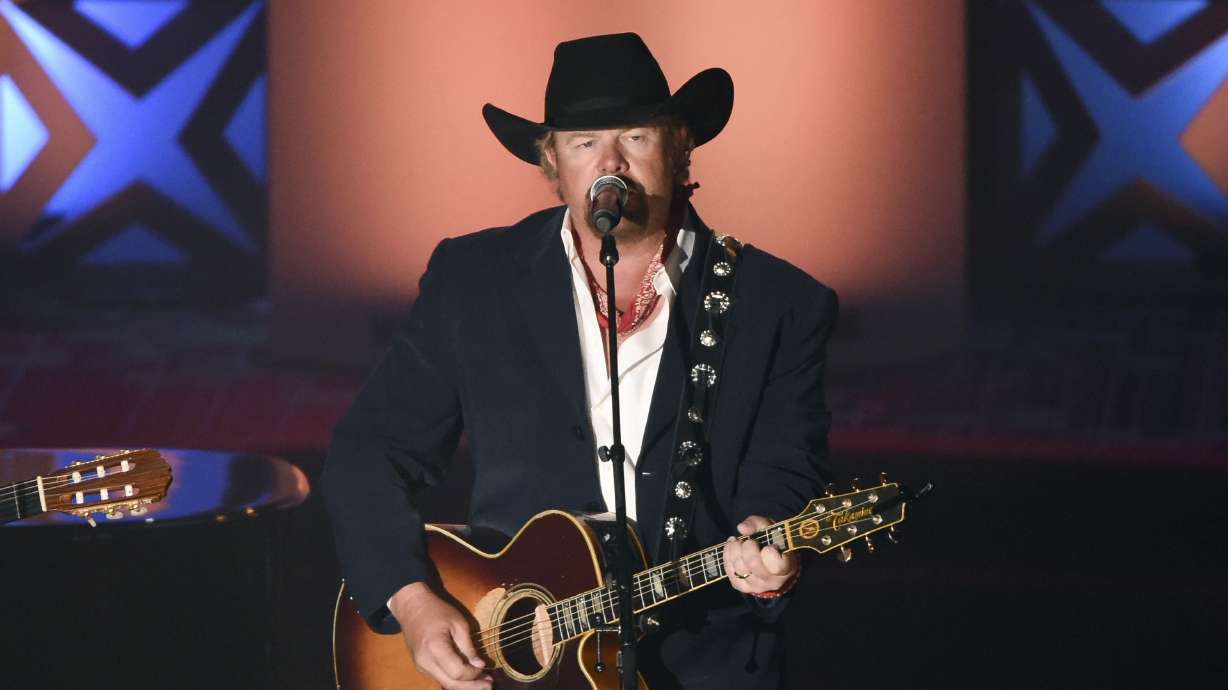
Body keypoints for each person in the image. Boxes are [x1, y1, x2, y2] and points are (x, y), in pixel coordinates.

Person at [323, 32, 838, 690]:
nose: (611, 164)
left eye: (636, 137)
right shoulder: (473, 281)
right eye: (584, 142)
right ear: (553, 163)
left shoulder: (777, 302)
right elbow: (369, 451)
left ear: (679, 151)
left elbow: (785, 467)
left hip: (700, 663)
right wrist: (411, 601)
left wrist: (770, 546)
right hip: (511, 661)